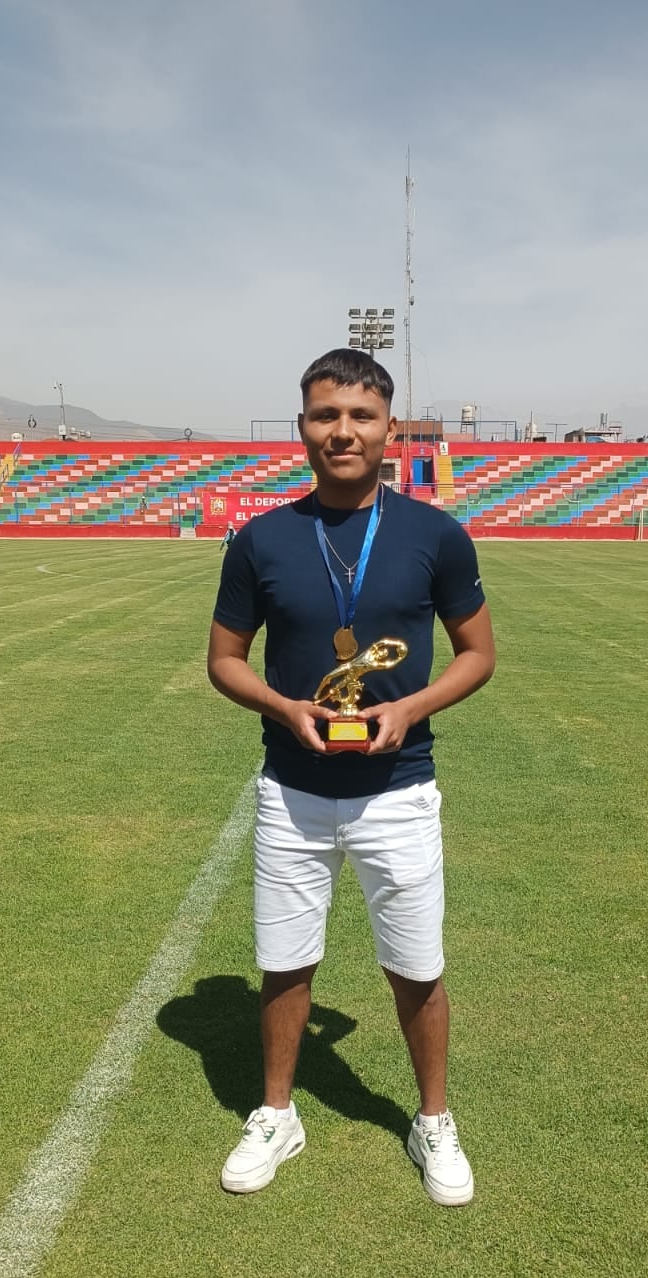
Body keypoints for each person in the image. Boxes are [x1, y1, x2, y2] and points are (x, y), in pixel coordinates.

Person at [206, 348, 495, 1203]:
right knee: (284, 961)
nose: (343, 431)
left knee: (415, 965)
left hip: (399, 788)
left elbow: (478, 654)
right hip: (291, 791)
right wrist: (281, 706)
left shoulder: (434, 534)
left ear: (388, 428)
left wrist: (410, 709)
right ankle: (276, 1112)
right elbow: (224, 661)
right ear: (303, 426)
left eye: (360, 416)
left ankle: (432, 1120)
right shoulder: (260, 538)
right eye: (326, 415)